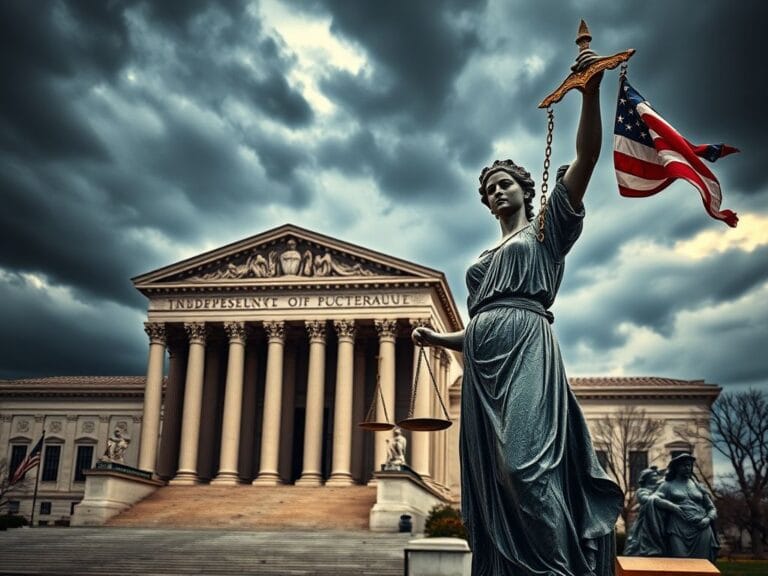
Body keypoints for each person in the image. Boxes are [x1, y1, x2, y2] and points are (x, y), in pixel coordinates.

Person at [412, 68, 623, 575]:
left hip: (528, 351)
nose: (496, 193)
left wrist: (590, 93)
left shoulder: (546, 231)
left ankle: (556, 569)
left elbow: (589, 156)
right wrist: (437, 336)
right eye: (488, 190)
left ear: (525, 189)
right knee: (495, 484)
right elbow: (479, 325)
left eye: (504, 184)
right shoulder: (486, 255)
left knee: (525, 468)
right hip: (484, 368)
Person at [650, 453, 719, 561]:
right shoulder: (668, 485)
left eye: (689, 465)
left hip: (701, 528)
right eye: (684, 465)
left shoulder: (698, 486)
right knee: (680, 561)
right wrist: (673, 507)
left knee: (702, 564)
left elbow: (712, 508)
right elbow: (654, 499)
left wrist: (707, 519)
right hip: (678, 528)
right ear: (676, 467)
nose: (688, 468)